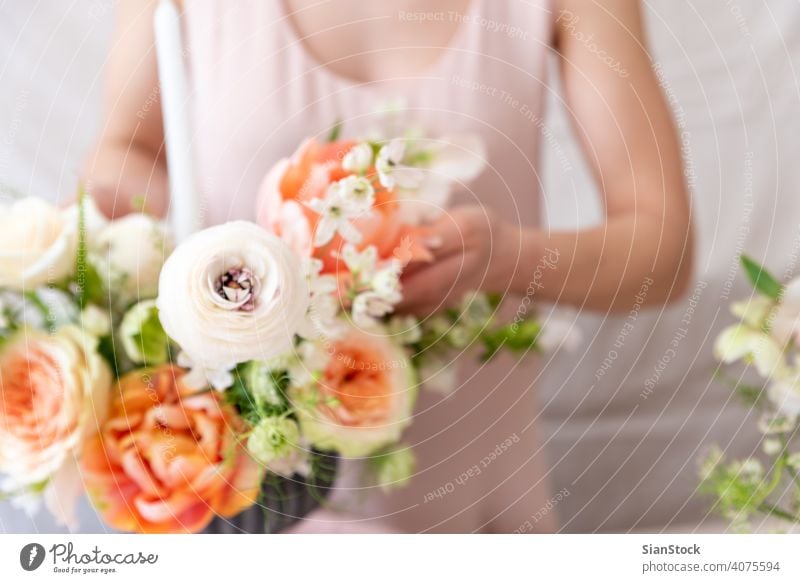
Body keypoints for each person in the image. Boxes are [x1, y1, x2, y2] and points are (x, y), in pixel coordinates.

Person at [84, 0, 693, 533]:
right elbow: (128, 152)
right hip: (249, 509)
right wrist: (113, 229)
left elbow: (665, 251)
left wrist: (509, 258)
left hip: (472, 512)